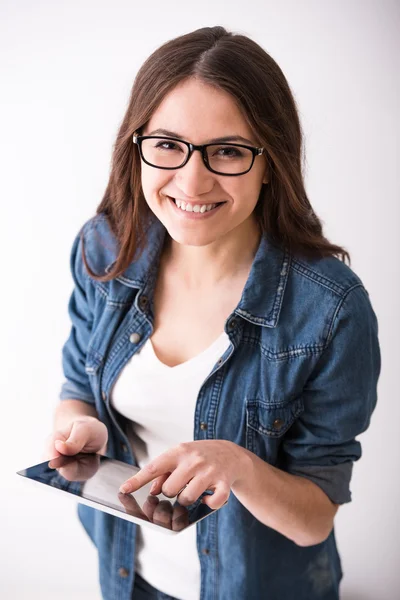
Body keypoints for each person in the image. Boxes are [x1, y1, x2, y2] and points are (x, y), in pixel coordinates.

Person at [43, 25, 381, 600]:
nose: (192, 181)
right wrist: (83, 427)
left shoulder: (331, 308)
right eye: (168, 144)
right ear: (138, 146)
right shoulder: (103, 250)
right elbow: (76, 386)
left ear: (271, 162)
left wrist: (240, 466)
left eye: (228, 151)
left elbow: (314, 519)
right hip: (130, 577)